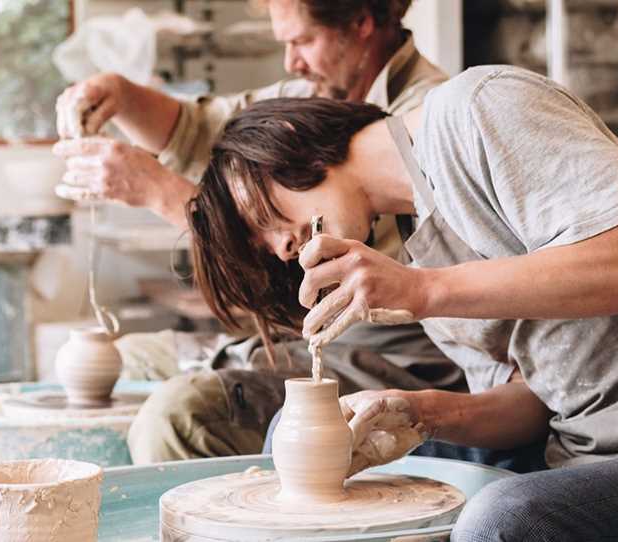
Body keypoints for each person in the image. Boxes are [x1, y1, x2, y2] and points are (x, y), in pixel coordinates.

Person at [187, 65, 618, 541]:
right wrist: (417, 412)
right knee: (297, 428)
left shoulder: (478, 106)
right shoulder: (417, 246)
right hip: (581, 449)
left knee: (501, 521)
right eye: (269, 249)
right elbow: (536, 405)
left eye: (261, 219)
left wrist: (425, 291)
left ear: (282, 134)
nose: (283, 246)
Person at [53, 0, 542, 468]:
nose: (292, 59)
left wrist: (161, 194)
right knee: (127, 358)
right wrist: (118, 93)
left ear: (361, 22)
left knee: (179, 415)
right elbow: (199, 128)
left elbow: (312, 263)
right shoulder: (314, 94)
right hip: (310, 341)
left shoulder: (429, 122)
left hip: (392, 354)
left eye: (303, 39)